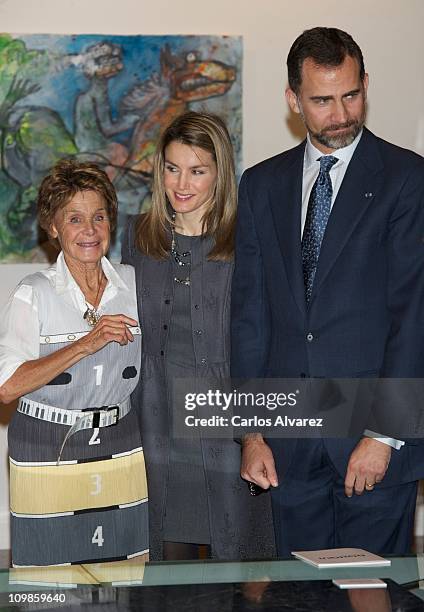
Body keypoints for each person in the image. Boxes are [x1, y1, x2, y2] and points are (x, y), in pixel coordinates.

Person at [231, 27, 424, 556]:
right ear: (293, 99)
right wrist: (251, 435)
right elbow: (250, 317)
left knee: (373, 592)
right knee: (299, 596)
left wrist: (384, 436)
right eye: (321, 100)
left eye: (351, 94)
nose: (340, 113)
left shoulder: (407, 178)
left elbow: (415, 319)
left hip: (372, 443)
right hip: (286, 445)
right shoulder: (261, 185)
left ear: (366, 84)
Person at [121, 110, 275, 561]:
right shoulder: (137, 235)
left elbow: (265, 338)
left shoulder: (248, 237)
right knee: (165, 566)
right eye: (172, 168)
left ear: (219, 173)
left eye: (197, 171)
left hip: (228, 422)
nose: (181, 184)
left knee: (240, 564)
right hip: (154, 419)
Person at [0, 159, 148, 566]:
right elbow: (7, 386)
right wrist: (86, 342)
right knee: (50, 578)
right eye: (75, 218)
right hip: (47, 446)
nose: (90, 230)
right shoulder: (33, 294)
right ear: (53, 227)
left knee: (123, 571)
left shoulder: (134, 284)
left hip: (121, 444)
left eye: (99, 217)